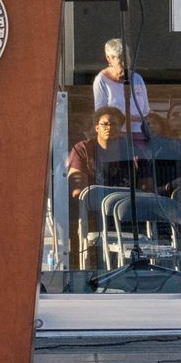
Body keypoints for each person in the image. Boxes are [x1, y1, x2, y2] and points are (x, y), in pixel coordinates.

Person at [65, 107, 132, 270]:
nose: (109, 127)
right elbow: (77, 193)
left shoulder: (131, 150)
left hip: (127, 218)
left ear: (121, 128)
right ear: (96, 127)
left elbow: (145, 186)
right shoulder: (83, 149)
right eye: (104, 124)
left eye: (114, 124)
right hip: (92, 218)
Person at [94, 38, 151, 140]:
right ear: (109, 58)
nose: (125, 65)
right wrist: (126, 118)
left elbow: (145, 110)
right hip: (116, 135)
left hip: (139, 134)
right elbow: (101, 114)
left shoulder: (137, 78)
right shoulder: (101, 80)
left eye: (127, 59)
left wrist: (140, 118)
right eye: (120, 60)